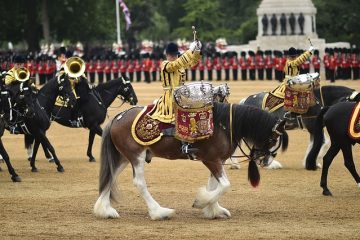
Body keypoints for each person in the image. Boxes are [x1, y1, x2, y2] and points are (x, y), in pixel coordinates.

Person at [149, 40, 201, 154]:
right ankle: (184, 144)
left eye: (175, 55)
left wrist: (196, 51)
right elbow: (175, 64)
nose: (174, 57)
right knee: (180, 116)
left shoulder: (180, 64)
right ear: (167, 55)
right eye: (172, 55)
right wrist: (189, 50)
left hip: (182, 95)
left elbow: (193, 62)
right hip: (170, 97)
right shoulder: (166, 64)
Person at [270, 46, 314, 117]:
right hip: (292, 83)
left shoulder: (288, 61)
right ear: (295, 56)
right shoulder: (292, 62)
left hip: (290, 81)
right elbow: (301, 59)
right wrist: (309, 52)